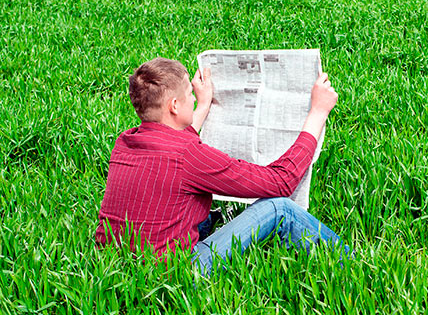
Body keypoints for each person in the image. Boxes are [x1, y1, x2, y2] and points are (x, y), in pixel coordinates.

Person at [95, 57, 349, 275]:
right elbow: (281, 182)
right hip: (176, 272)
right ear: (174, 106)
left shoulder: (125, 141)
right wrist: (318, 111)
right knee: (280, 208)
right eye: (189, 96)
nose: (192, 100)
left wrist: (204, 104)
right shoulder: (188, 155)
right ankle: (352, 263)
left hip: (115, 264)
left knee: (203, 215)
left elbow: (173, 140)